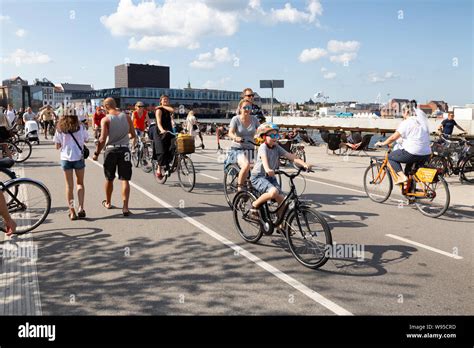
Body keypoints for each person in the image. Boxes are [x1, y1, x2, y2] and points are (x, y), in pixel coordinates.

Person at [250, 122, 310, 219]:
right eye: (272, 135)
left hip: (270, 177)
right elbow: (264, 158)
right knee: (273, 192)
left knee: (282, 202)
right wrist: (267, 169)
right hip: (258, 177)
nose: (275, 137)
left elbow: (290, 156)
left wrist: (304, 164)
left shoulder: (276, 147)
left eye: (276, 135)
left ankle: (280, 224)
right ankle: (255, 204)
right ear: (264, 136)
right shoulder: (263, 147)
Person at [92, 97, 136, 216]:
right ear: (115, 104)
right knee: (125, 179)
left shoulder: (106, 119)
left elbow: (102, 139)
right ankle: (125, 207)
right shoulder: (126, 117)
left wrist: (96, 153)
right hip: (124, 149)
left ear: (106, 107)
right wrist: (124, 138)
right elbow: (133, 134)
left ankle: (108, 202)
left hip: (111, 150)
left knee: (109, 178)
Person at [375, 101, 431, 184]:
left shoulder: (406, 122)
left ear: (406, 112)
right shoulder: (421, 122)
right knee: (409, 170)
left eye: (402, 112)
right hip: (426, 154)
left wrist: (383, 143)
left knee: (390, 157)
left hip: (413, 152)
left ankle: (402, 177)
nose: (402, 114)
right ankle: (411, 191)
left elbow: (393, 137)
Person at [53, 107, 89, 220]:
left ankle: (72, 211)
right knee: (80, 183)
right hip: (78, 157)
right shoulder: (80, 126)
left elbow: (57, 146)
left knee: (69, 186)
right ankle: (81, 208)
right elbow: (86, 139)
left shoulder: (60, 128)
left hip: (65, 159)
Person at [227, 99, 260, 190]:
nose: (247, 109)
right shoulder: (236, 119)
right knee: (246, 165)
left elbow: (260, 130)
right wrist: (235, 138)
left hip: (251, 149)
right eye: (245, 107)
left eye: (249, 107)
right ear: (240, 108)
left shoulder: (254, 119)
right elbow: (230, 133)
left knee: (261, 166)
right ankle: (240, 189)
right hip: (238, 149)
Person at [153, 95, 175, 179]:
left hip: (169, 131)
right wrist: (162, 130)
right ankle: (159, 168)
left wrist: (163, 105)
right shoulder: (159, 110)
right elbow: (158, 122)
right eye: (164, 99)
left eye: (167, 99)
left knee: (173, 146)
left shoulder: (168, 109)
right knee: (161, 151)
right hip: (160, 132)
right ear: (160, 101)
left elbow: (173, 110)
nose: (166, 100)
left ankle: (168, 164)